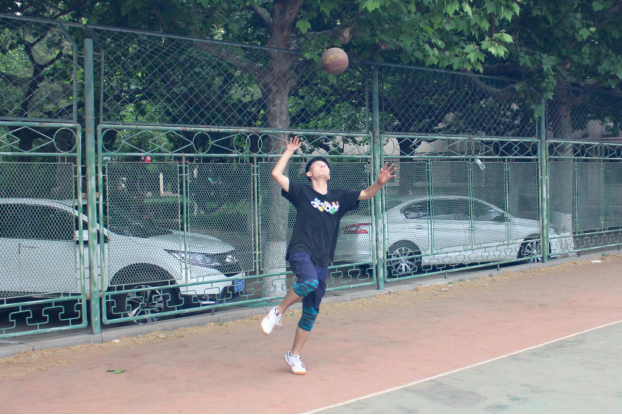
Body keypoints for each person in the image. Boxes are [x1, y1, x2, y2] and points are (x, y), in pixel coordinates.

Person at [261, 136, 397, 375]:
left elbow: (367, 194)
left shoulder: (339, 196)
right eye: (317, 164)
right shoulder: (302, 192)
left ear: (329, 174)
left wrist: (379, 183)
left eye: (325, 164)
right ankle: (278, 311)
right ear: (309, 174)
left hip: (323, 259)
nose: (323, 165)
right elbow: (276, 174)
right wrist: (289, 151)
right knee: (309, 282)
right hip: (301, 250)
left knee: (311, 312)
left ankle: (294, 356)